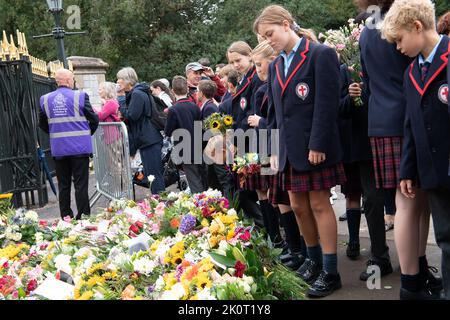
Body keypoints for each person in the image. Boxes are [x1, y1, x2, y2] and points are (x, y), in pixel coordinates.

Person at [255, 4, 345, 297]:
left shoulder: (320, 54)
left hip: (314, 148)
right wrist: (274, 148)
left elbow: (327, 105)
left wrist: (318, 143)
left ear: (285, 23)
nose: (269, 41)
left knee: (320, 205)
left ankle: (331, 271)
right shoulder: (278, 63)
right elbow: (279, 115)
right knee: (297, 207)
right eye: (263, 38)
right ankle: (313, 260)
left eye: (270, 33)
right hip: (288, 151)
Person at [360, 0, 442, 296]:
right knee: (410, 203)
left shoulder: (367, 30)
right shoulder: (400, 25)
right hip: (409, 118)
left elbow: (367, 82)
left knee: (412, 202)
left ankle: (417, 275)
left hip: (381, 118)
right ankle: (412, 281)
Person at [381, 0, 447, 300]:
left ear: (417, 27)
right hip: (434, 174)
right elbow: (409, 126)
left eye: (399, 39)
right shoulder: (411, 74)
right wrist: (407, 170)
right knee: (445, 238)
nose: (397, 48)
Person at [39, 69, 99, 220]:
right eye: (73, 79)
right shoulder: (80, 96)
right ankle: (83, 217)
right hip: (80, 149)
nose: (73, 82)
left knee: (63, 185)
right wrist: (86, 134)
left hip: (59, 149)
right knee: (81, 185)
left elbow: (42, 124)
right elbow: (94, 119)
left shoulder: (45, 99)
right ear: (67, 80)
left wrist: (56, 134)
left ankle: (66, 216)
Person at [117, 67, 165, 194]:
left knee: (154, 176)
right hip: (147, 139)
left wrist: (121, 103)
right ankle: (159, 203)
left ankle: (162, 203)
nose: (118, 82)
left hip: (149, 139)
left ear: (127, 80)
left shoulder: (137, 94)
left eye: (120, 79)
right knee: (152, 176)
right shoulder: (137, 93)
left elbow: (133, 115)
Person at [165, 76, 207, 194]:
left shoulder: (173, 109)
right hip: (199, 146)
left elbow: (168, 131)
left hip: (185, 148)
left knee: (193, 180)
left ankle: (201, 206)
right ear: (187, 89)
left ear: (172, 91)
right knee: (202, 177)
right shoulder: (195, 107)